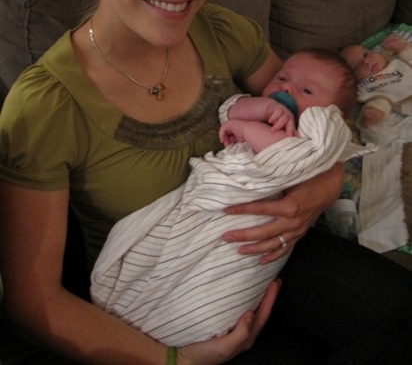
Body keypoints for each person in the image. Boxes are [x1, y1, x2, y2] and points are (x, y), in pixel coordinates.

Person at [0, 0, 412, 365]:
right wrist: (178, 361)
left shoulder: (221, 31)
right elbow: (33, 301)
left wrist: (320, 188)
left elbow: (318, 119)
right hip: (165, 302)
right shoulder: (46, 107)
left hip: (269, 255)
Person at [91, 48, 370, 347]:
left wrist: (247, 130)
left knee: (213, 288)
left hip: (249, 217)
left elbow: (288, 157)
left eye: (306, 91)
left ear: (333, 115)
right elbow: (231, 109)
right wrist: (260, 109)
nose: (287, 88)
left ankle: (180, 325)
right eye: (282, 78)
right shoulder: (267, 110)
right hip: (207, 197)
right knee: (150, 249)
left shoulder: (318, 132)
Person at [341, 34, 412, 128]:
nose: (366, 62)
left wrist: (401, 48)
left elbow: (409, 58)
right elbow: (382, 102)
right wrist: (374, 112)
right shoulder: (373, 87)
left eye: (365, 54)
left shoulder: (397, 62)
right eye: (357, 67)